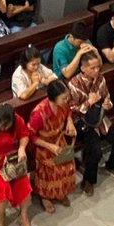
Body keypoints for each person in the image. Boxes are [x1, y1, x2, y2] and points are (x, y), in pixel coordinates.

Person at [69, 51, 114, 196]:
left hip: (100, 117)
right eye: (92, 68)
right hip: (82, 122)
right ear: (83, 68)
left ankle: (113, 166)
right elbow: (71, 110)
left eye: (97, 67)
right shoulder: (74, 84)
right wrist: (89, 102)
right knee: (95, 151)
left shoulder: (100, 79)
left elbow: (106, 97)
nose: (96, 71)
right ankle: (88, 181)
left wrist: (106, 103)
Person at [27, 80, 78, 213]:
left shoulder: (63, 105)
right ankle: (45, 196)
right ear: (53, 98)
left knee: (67, 164)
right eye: (63, 98)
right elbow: (30, 136)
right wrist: (49, 146)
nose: (66, 100)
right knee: (51, 169)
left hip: (58, 140)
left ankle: (60, 191)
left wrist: (70, 122)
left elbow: (68, 112)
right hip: (43, 144)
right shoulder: (39, 113)